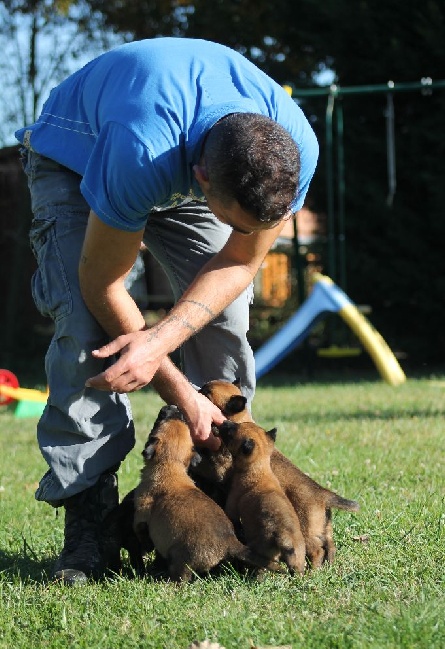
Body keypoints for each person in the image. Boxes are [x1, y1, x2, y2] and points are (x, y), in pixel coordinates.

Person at [15, 37, 319, 584]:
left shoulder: (292, 146)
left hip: (185, 157)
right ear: (202, 181)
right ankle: (92, 520)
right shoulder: (140, 150)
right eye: (237, 221)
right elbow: (100, 283)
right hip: (79, 157)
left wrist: (161, 341)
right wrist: (178, 389)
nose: (245, 234)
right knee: (88, 335)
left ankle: (223, 500)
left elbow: (240, 262)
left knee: (223, 319)